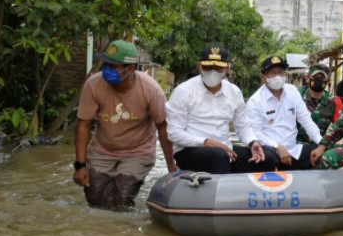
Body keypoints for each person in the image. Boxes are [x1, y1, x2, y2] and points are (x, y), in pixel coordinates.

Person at [73, 40, 177, 210]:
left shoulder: (151, 90)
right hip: (103, 150)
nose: (106, 69)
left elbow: (163, 128)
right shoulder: (93, 85)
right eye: (106, 64)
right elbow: (83, 125)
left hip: (138, 151)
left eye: (113, 66)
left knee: (122, 198)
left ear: (130, 68)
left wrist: (171, 166)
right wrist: (80, 165)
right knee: (94, 197)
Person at [167, 44, 274, 174]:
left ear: (226, 68)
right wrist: (205, 142)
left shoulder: (234, 92)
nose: (213, 71)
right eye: (208, 67)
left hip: (225, 148)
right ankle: (225, 192)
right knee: (218, 156)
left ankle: (253, 192)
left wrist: (253, 143)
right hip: (190, 150)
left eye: (218, 68)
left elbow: (243, 127)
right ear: (199, 66)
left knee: (267, 158)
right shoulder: (183, 91)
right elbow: (174, 133)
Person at [246, 56, 323, 170]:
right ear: (263, 77)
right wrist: (277, 147)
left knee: (321, 152)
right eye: (272, 73)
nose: (278, 76)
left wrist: (322, 143)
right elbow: (256, 133)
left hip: (294, 149)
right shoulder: (255, 101)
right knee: (264, 158)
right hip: (270, 150)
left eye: (281, 72)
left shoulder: (292, 91)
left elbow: (306, 120)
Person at [296, 64, 342, 143]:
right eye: (315, 77)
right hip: (296, 146)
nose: (318, 80)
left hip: (319, 146)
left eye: (322, 78)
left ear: (328, 80)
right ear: (308, 78)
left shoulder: (333, 102)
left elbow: (340, 127)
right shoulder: (297, 95)